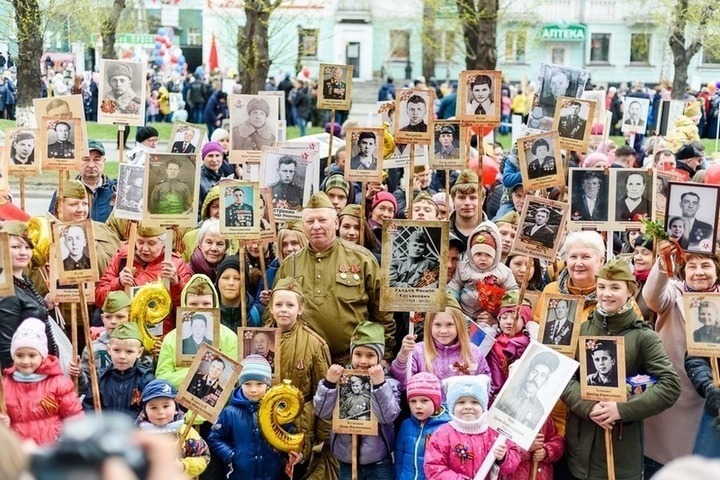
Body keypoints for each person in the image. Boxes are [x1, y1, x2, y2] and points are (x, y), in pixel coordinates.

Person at [563, 259, 680, 479]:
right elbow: (566, 378)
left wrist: (621, 410)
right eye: (602, 287)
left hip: (621, 451)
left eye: (615, 287)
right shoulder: (582, 329)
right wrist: (587, 406)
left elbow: (670, 385)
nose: (607, 294)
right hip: (579, 448)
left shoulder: (644, 336)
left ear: (629, 291)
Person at [275, 192, 395, 363]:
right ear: (303, 226)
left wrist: (386, 355)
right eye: (310, 221)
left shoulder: (362, 259)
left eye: (322, 220)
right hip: (303, 360)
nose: (316, 226)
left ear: (336, 223)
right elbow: (275, 315)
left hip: (352, 360)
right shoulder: (289, 265)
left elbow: (383, 311)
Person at [266, 277, 334, 479]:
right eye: (278, 305)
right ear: (271, 308)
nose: (283, 310)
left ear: (300, 309)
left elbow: (325, 394)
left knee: (295, 470)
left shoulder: (314, 344)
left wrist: (323, 436)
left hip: (301, 420)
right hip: (266, 416)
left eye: (290, 305)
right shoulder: (258, 338)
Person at [313, 321, 401, 479]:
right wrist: (329, 384)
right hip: (347, 460)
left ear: (379, 357)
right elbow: (322, 412)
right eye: (358, 354)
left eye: (370, 355)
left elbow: (387, 416)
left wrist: (379, 384)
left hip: (378, 462)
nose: (363, 361)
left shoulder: (388, 382)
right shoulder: (343, 379)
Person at [208, 355, 300, 480]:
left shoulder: (277, 412)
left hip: (271, 474)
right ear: (240, 384)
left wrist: (291, 452)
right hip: (240, 474)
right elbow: (215, 438)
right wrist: (231, 455)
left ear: (267, 385)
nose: (253, 390)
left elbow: (288, 435)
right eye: (247, 384)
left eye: (259, 384)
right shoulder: (230, 412)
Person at [95, 224, 191, 335]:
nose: (144, 249)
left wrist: (176, 283)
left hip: (160, 337)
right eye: (140, 242)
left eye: (151, 243)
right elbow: (99, 298)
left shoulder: (175, 264)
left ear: (164, 243)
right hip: (125, 335)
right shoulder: (122, 259)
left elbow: (187, 308)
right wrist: (118, 283)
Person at [0, 318, 83, 446]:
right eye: (20, 355)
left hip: (51, 451)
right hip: (20, 451)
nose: (26, 361)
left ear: (42, 356)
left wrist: (65, 443)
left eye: (32, 355)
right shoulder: (6, 384)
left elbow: (74, 417)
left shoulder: (58, 384)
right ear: (13, 356)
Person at [424, 376, 521, 478]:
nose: (468, 406)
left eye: (475, 402)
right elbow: (434, 467)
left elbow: (513, 463)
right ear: (452, 406)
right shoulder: (442, 434)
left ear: (483, 406)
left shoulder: (495, 432)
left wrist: (504, 457)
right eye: (461, 402)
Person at [390, 293, 491, 390]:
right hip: (426, 407)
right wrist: (402, 357)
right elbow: (403, 383)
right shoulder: (417, 351)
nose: (443, 331)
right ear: (429, 325)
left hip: (460, 407)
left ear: (459, 325)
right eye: (437, 325)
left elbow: (486, 385)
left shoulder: (474, 353)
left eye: (449, 324)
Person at [0, 221, 60, 370]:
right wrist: (22, 380)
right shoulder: (6, 290)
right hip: (26, 374)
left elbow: (25, 312)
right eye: (16, 247)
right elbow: (7, 346)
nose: (23, 252)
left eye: (27, 247)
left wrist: (44, 303)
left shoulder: (23, 280)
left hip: (39, 368)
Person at [135, 379, 210, 477]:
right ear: (145, 411)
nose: (160, 412)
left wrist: (183, 466)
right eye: (153, 407)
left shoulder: (185, 432)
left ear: (176, 408)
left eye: (166, 406)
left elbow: (204, 457)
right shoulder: (138, 435)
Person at [447, 221, 518, 323]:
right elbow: (455, 285)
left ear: (496, 255)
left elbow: (512, 290)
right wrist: (452, 302)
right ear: (471, 254)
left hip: (488, 315)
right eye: (478, 254)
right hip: (464, 313)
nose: (483, 259)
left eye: (488, 255)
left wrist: (503, 311)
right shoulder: (463, 267)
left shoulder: (503, 271)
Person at [83, 322, 155, 418]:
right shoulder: (100, 377)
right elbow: (89, 407)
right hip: (107, 430)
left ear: (139, 352)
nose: (122, 356)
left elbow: (152, 408)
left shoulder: (146, 378)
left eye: (129, 351)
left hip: (136, 430)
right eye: (116, 350)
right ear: (108, 349)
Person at [394, 373, 450, 480]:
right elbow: (399, 459)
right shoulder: (406, 425)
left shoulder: (446, 428)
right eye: (413, 401)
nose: (418, 406)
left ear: (436, 401)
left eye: (424, 400)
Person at [487, 294, 532, 392]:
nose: (509, 322)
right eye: (504, 317)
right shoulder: (491, 342)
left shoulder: (528, 343)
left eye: (515, 318)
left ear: (525, 321)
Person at [81, 291, 130, 376]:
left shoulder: (137, 346)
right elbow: (86, 385)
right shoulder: (92, 349)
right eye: (108, 317)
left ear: (130, 317)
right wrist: (79, 375)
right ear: (102, 318)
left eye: (120, 317)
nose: (113, 322)